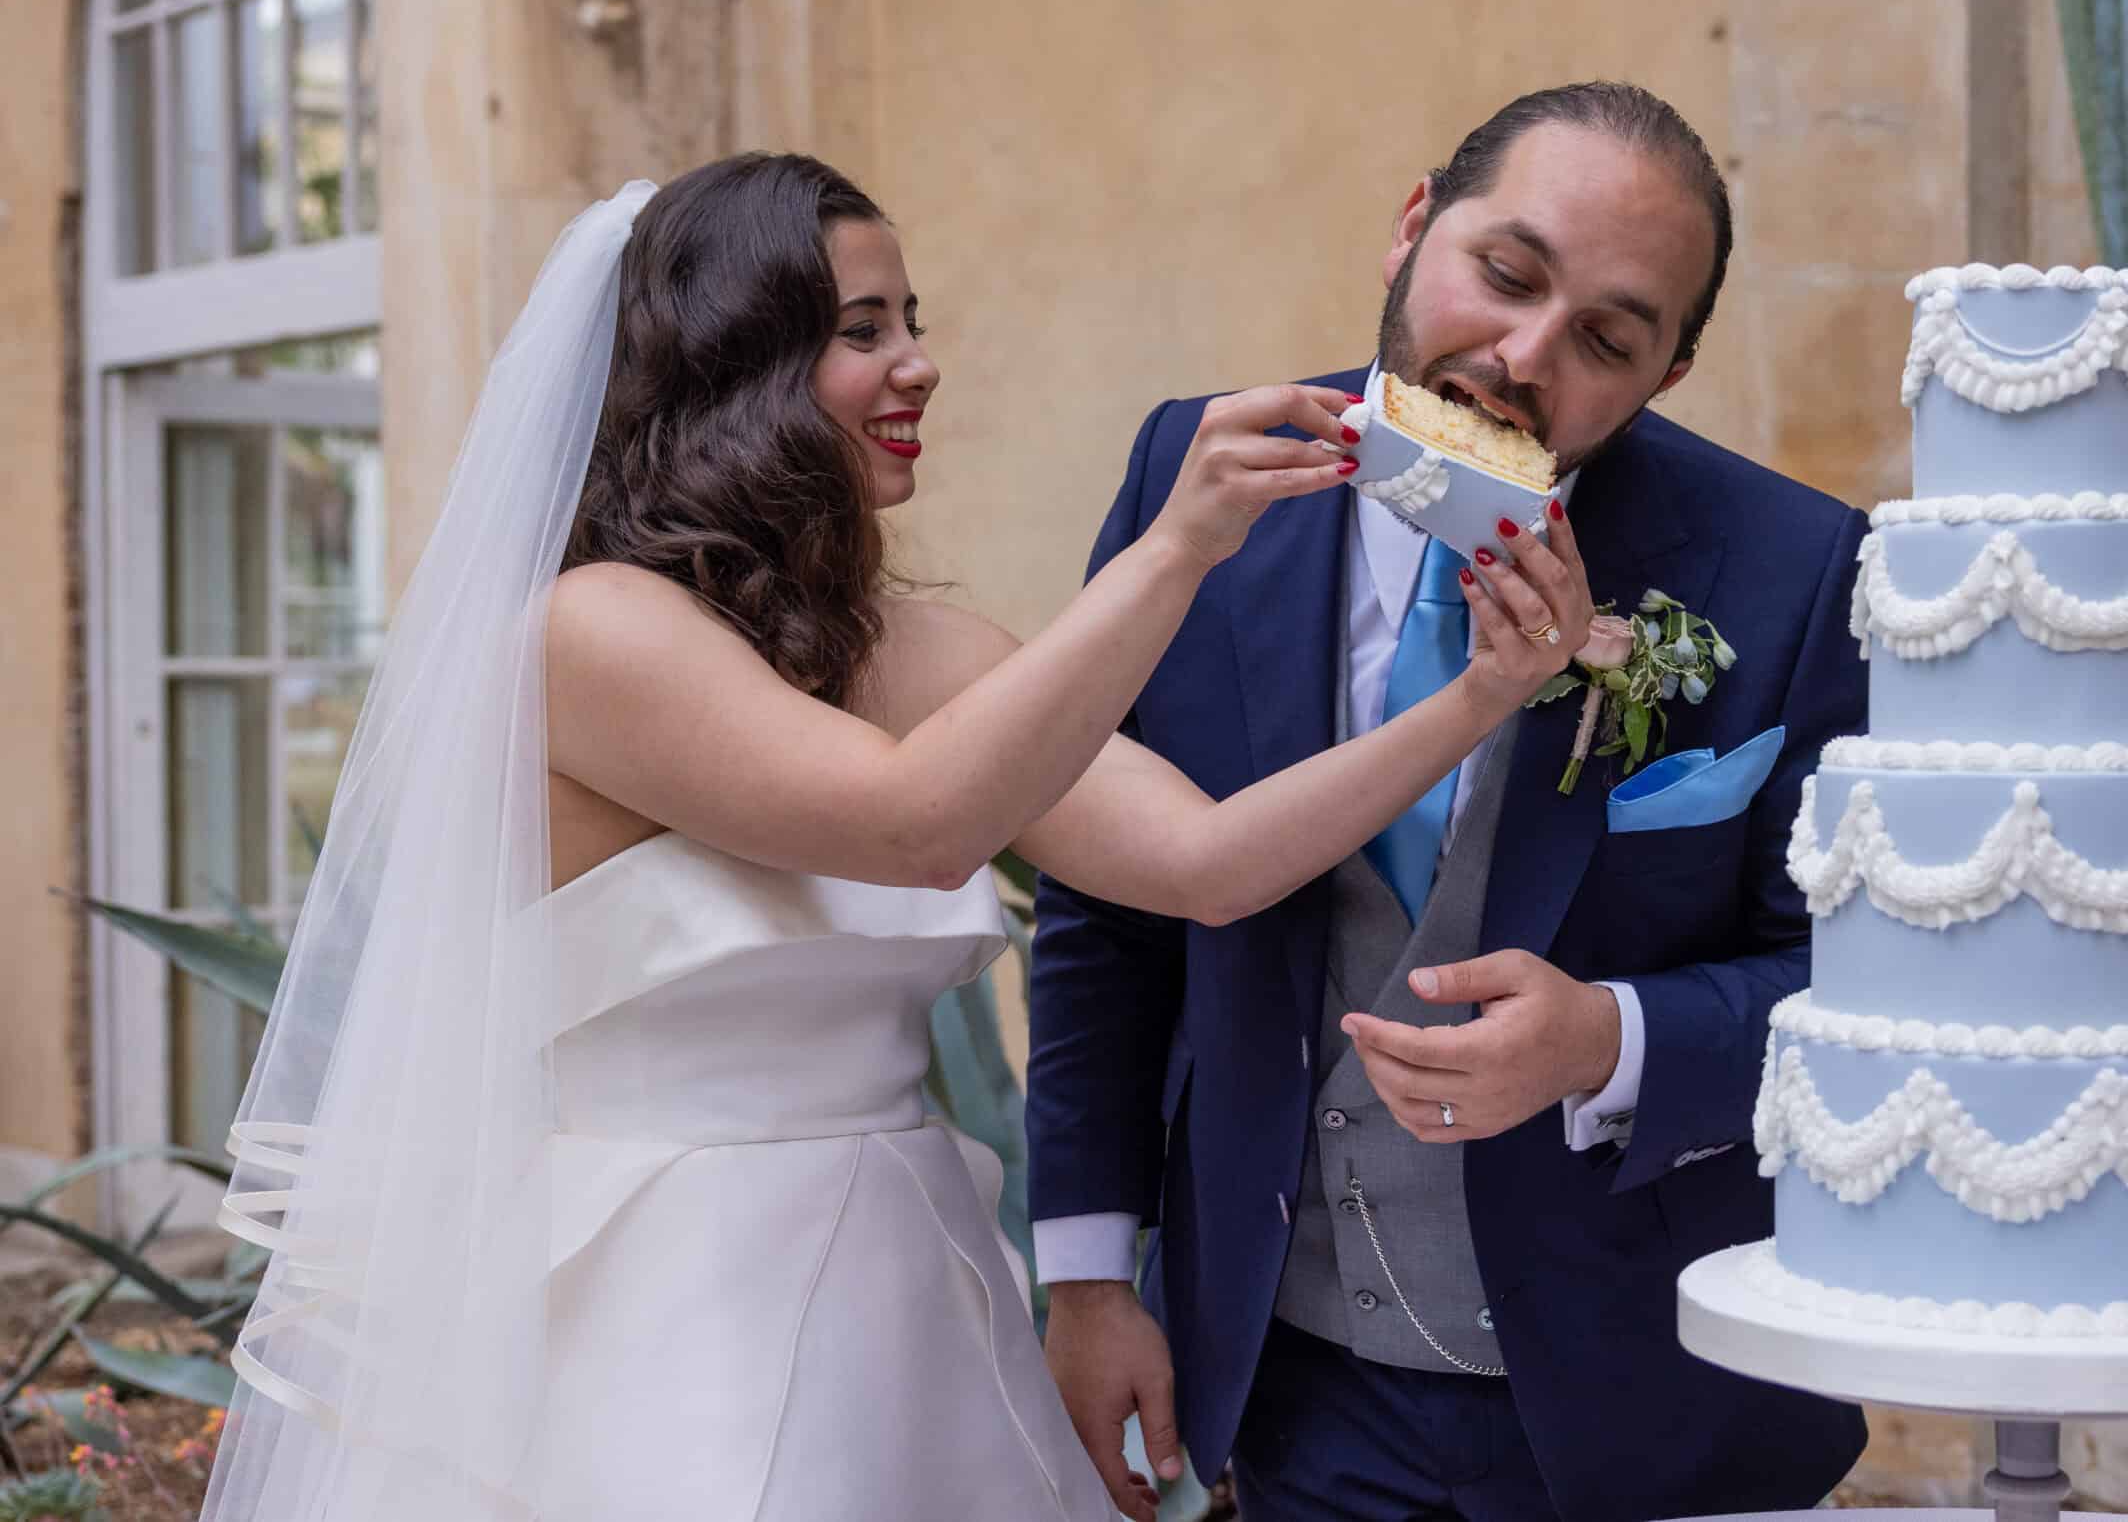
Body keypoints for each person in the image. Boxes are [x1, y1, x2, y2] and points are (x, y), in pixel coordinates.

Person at [198, 152, 1592, 1522]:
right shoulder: (593, 634)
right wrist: (1178, 550)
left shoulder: (919, 650)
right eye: (862, 329)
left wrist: (1482, 696)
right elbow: (918, 823)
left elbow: (1208, 864)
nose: (917, 362)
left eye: (913, 323)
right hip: (658, 1305)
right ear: (732, 368)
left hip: (904, 1292)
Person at [1028, 82, 1873, 1522]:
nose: (1523, 355)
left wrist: (1613, 1038)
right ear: (1414, 228)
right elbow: (1108, 911)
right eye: (1506, 273)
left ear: (1665, 377)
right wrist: (1092, 1276)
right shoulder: (1198, 473)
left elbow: (1867, 999)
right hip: (1291, 1389)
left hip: (1652, 1406)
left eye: (1607, 339)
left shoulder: (1796, 569)